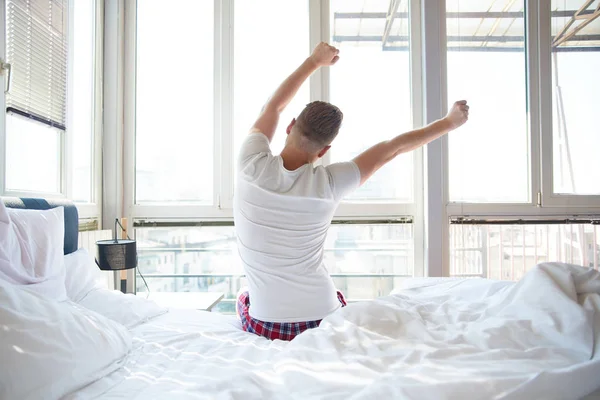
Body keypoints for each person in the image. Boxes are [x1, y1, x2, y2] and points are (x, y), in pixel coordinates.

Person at [234, 42, 469, 341]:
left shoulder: (249, 162)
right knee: (336, 295)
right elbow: (391, 148)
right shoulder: (330, 183)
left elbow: (274, 107)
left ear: (291, 126)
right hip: (324, 317)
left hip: (268, 323)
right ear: (325, 149)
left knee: (244, 295)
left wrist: (314, 61)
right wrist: (449, 122)